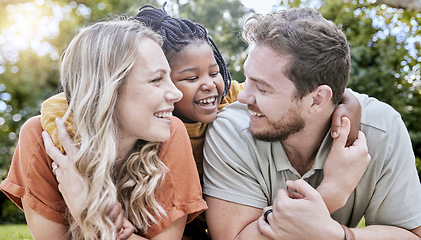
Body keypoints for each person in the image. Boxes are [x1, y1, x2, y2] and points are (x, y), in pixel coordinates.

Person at [38, 4, 366, 240]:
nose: (209, 84)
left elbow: (301, 90)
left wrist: (345, 103)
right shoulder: (157, 123)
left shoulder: (219, 105)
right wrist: (71, 154)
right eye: (183, 78)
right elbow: (63, 105)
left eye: (213, 72)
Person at [202, 7, 421, 240]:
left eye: (262, 88)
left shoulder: (381, 129)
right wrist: (333, 192)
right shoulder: (231, 130)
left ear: (317, 99)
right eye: (247, 79)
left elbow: (411, 235)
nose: (244, 97)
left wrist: (339, 235)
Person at [0, 19, 207, 239]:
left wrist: (88, 211)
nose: (177, 93)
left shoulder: (169, 132)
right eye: (157, 79)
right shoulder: (42, 139)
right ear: (107, 89)